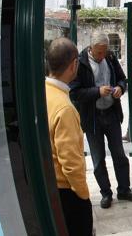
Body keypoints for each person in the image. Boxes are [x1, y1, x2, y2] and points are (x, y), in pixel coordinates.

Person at [70, 32, 132, 209]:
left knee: (119, 154)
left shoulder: (110, 57)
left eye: (104, 51)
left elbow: (122, 79)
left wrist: (120, 88)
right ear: (91, 48)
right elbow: (75, 93)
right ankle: (106, 193)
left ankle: (124, 189)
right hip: (92, 118)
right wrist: (97, 91)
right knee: (98, 158)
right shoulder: (81, 63)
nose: (102, 56)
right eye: (99, 52)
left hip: (111, 113)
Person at [45, 38, 92, 235]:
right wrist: (83, 194)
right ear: (74, 65)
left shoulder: (43, 92)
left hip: (49, 186)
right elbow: (71, 162)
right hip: (67, 193)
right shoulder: (65, 108)